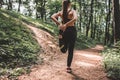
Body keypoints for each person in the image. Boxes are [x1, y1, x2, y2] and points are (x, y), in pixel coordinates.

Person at [51, 0, 77, 73]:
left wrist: (59, 23)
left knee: (63, 49)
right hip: (71, 31)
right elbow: (75, 19)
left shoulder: (61, 12)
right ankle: (68, 67)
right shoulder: (72, 11)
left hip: (63, 31)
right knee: (71, 50)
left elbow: (52, 16)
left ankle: (62, 43)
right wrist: (66, 24)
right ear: (69, 4)